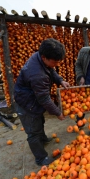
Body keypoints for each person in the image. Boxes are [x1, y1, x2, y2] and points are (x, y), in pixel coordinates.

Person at [14, 38, 70, 166]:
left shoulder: (40, 58)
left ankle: (43, 139)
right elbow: (44, 98)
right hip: (27, 103)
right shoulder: (37, 74)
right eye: (55, 62)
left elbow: (51, 70)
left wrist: (60, 80)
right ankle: (41, 158)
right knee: (33, 130)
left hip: (32, 98)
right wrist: (58, 113)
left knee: (40, 120)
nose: (57, 64)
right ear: (45, 57)